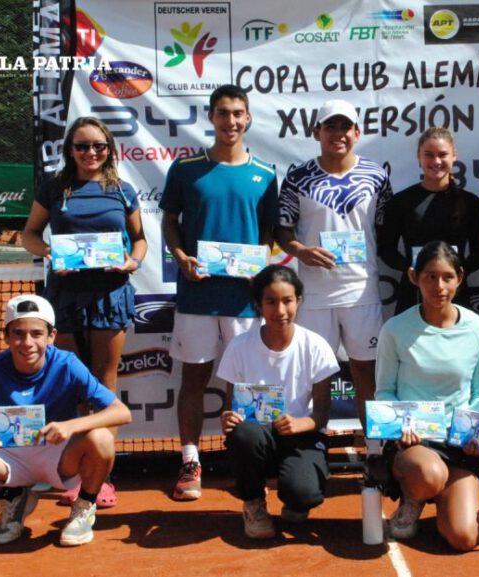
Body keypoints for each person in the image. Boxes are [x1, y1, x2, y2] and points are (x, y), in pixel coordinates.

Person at [0, 295, 132, 546]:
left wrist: (70, 426)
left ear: (51, 336)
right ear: (6, 337)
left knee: (101, 437)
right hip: (8, 459)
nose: (27, 342)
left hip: (59, 457)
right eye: (18, 333)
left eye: (36, 334)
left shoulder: (67, 364)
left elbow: (120, 412)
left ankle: (84, 507)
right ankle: (13, 496)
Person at [159, 84, 279, 501]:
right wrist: (179, 255)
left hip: (244, 299)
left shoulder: (265, 174)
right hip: (197, 296)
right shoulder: (186, 169)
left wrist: (260, 261)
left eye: (238, 113)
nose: (231, 121)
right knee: (194, 378)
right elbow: (169, 220)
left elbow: (269, 232)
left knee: (243, 383)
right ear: (211, 117)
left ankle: (245, 458)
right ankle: (190, 460)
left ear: (248, 119)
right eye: (223, 113)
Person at [23, 116, 146, 508]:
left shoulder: (122, 190)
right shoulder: (55, 188)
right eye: (81, 146)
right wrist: (49, 254)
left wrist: (132, 263)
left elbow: (140, 239)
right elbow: (29, 234)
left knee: (104, 385)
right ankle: (72, 471)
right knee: (73, 384)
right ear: (69, 150)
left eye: (98, 146)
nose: (90, 153)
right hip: (66, 296)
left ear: (109, 148)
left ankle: (101, 476)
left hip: (109, 294)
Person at [275, 99, 392, 439]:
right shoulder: (298, 177)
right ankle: (312, 446)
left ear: (358, 132)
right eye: (330, 127)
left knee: (365, 372)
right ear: (317, 132)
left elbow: (384, 230)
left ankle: (375, 448)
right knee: (316, 374)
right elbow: (282, 229)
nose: (338, 134)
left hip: (362, 291)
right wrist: (300, 250)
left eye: (345, 127)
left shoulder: (376, 176)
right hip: (313, 294)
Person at [375, 242, 479, 551]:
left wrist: (472, 430)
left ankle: (443, 497)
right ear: (414, 277)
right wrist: (400, 426)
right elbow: (384, 390)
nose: (438, 286)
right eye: (429, 277)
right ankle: (413, 497)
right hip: (412, 442)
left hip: (458, 444)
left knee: (463, 538)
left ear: (460, 278)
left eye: (446, 277)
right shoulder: (395, 329)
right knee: (429, 473)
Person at [217, 265, 340, 538]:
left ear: (299, 301)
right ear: (258, 304)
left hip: (302, 435)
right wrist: (228, 418)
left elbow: (321, 413)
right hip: (257, 435)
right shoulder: (239, 346)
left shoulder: (316, 345)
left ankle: (296, 498)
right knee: (244, 434)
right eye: (271, 302)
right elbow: (230, 407)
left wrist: (300, 424)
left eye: (287, 301)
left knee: (304, 494)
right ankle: (253, 503)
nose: (280, 311)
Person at [377, 127, 479, 314]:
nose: (436, 161)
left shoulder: (469, 202)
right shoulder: (401, 201)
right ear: (419, 157)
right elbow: (386, 248)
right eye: (429, 154)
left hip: (455, 293)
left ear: (454, 156)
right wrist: (413, 270)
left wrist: (457, 273)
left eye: (443, 154)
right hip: (413, 291)